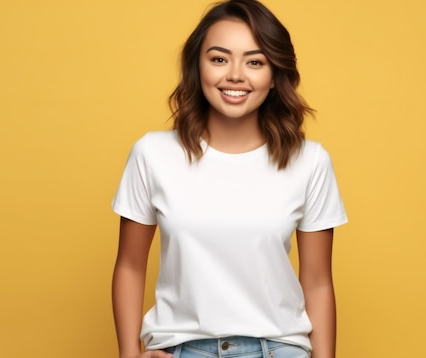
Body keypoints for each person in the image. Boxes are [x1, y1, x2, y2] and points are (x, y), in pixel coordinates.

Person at [111, 0, 347, 357]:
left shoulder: (310, 161)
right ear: (197, 66)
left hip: (279, 350)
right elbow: (129, 265)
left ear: (274, 75)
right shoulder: (152, 155)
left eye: (255, 61)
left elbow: (316, 283)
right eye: (219, 58)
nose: (235, 75)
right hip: (184, 349)